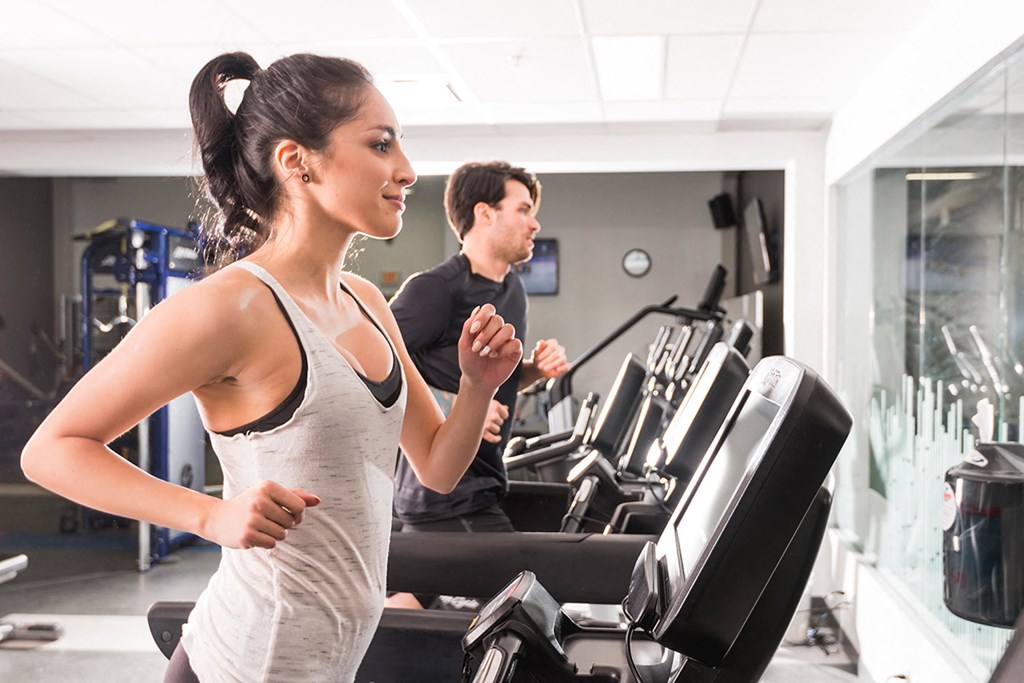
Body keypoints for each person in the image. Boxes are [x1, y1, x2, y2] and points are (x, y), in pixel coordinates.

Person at [19, 52, 522, 683]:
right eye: (380, 144)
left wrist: (476, 388)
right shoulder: (230, 307)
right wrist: (210, 516)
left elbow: (439, 469)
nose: (408, 170)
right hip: (246, 664)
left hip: (328, 664)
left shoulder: (366, 302)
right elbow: (52, 450)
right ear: (297, 161)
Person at [389, 161, 570, 537]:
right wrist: (450, 406)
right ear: (484, 213)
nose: (534, 224)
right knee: (526, 591)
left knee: (419, 595)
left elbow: (487, 384)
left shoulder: (513, 291)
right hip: (444, 495)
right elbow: (364, 367)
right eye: (522, 210)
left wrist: (534, 370)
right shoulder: (436, 289)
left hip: (484, 480)